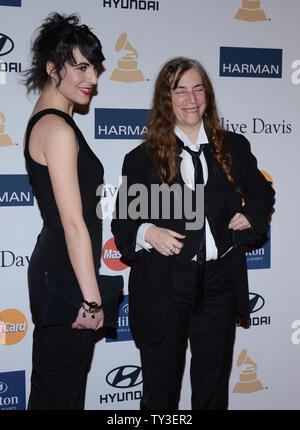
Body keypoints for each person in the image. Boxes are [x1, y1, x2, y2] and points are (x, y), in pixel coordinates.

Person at [111, 57, 275, 410]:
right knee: (160, 393)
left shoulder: (232, 146)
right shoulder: (140, 158)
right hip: (164, 283)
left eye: (198, 88)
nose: (191, 98)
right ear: (165, 99)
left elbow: (263, 192)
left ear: (208, 95)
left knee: (213, 389)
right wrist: (148, 231)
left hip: (218, 284)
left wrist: (250, 214)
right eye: (180, 89)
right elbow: (122, 225)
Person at [23, 13, 105, 410]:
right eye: (81, 67)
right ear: (53, 68)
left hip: (58, 272)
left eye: (95, 68)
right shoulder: (56, 129)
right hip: (65, 276)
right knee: (58, 396)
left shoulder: (55, 123)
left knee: (59, 393)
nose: (92, 78)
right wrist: (91, 300)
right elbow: (73, 223)